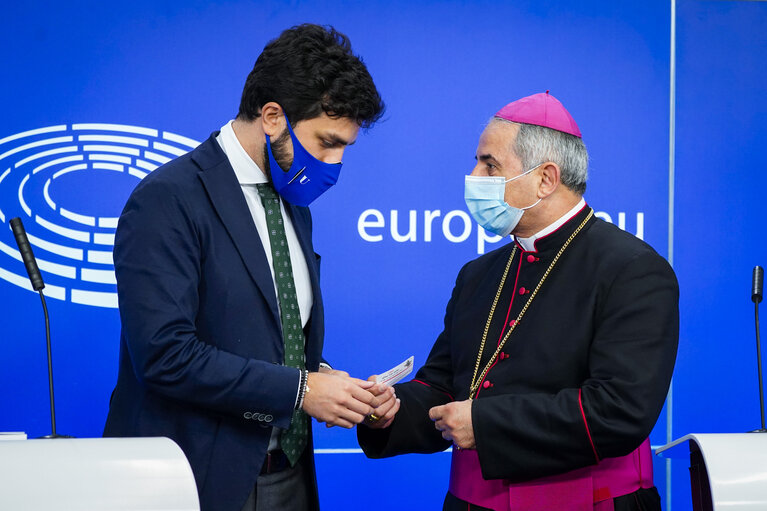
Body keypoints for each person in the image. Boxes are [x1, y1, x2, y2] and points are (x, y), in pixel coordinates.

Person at [103, 24, 390, 511]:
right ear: (273, 116)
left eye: (344, 147)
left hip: (291, 476)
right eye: (326, 142)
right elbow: (164, 355)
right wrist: (302, 389)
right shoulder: (167, 199)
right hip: (196, 481)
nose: (335, 163)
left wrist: (333, 387)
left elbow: (262, 336)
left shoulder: (294, 203)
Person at [358, 92, 679, 511]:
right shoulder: (478, 274)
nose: (474, 175)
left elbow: (619, 410)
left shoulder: (632, 269)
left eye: (490, 164)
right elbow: (441, 385)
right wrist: (390, 410)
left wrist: (485, 424)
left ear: (545, 178)